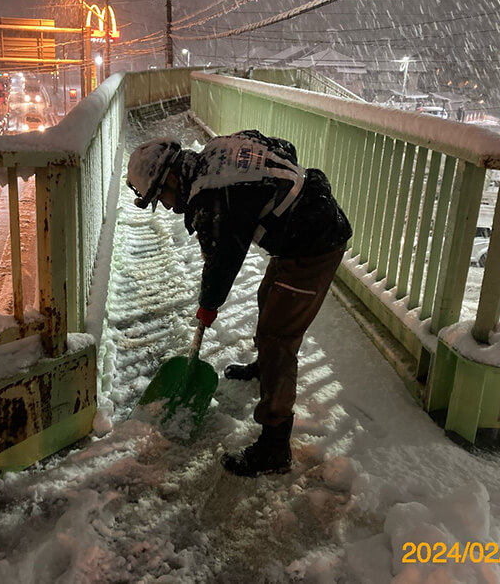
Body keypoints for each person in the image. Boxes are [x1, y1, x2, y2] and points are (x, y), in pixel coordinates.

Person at [126, 130, 352, 477]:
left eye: (164, 197)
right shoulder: (215, 154)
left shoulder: (214, 195)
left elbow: (224, 259)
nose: (169, 207)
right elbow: (283, 146)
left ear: (172, 177)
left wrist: (208, 305)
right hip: (299, 227)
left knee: (279, 337)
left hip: (314, 243)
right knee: (268, 297)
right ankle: (264, 366)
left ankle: (275, 446)